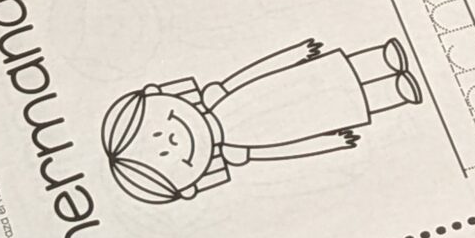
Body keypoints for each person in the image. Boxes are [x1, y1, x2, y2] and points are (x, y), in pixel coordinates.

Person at [100, 39, 423, 203]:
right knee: (339, 108)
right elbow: (283, 150)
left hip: (281, 86)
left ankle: (380, 59)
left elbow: (257, 72)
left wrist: (295, 54)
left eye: (157, 132)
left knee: (329, 74)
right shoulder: (239, 151)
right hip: (290, 124)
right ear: (188, 187)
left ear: (157, 93)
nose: (170, 142)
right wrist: (329, 142)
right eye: (164, 156)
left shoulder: (219, 94)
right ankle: (394, 92)